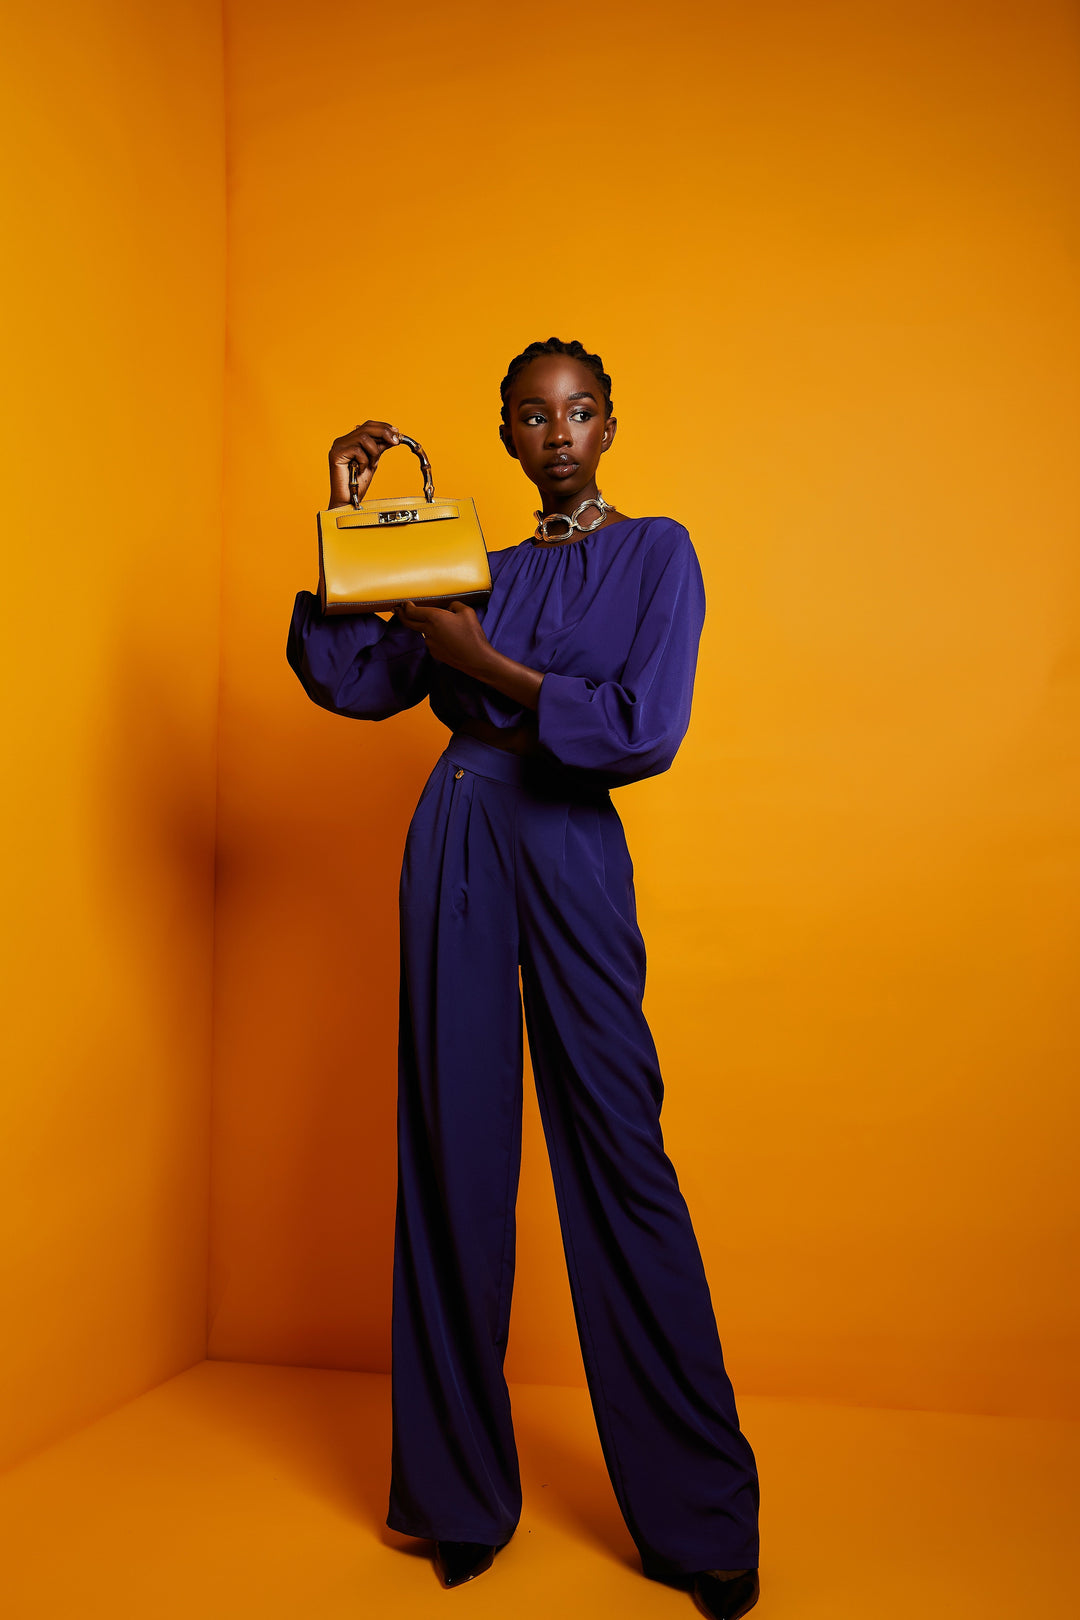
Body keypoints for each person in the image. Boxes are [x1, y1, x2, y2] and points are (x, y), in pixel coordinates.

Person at [286, 338, 762, 1620]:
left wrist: (487, 664)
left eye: (581, 412)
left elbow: (639, 726)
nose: (558, 433)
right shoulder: (469, 561)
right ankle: (454, 1501)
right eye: (533, 416)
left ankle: (699, 1520)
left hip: (569, 841)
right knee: (454, 1152)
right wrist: (347, 524)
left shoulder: (659, 553)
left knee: (620, 1149)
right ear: (503, 435)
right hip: (458, 833)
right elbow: (354, 678)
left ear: (610, 425)